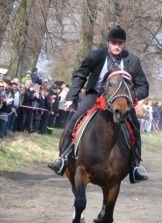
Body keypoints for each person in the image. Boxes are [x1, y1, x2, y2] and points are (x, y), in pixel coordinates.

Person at [47, 25, 149, 182]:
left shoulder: (133, 61)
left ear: (124, 44)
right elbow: (80, 75)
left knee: (135, 126)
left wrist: (127, 96)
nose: (117, 46)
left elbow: (144, 87)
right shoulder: (95, 56)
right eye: (114, 43)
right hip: (95, 95)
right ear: (108, 43)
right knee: (74, 120)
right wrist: (71, 97)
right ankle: (62, 158)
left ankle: (135, 166)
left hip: (120, 99)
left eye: (120, 43)